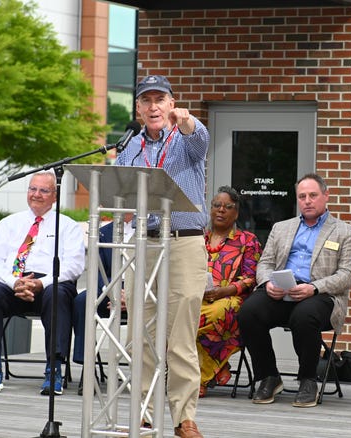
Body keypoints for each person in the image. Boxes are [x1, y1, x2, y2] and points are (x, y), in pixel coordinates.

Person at [115, 74, 209, 438]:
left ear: (171, 104)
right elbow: (120, 190)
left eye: (160, 99)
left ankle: (184, 418)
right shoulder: (131, 148)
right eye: (146, 101)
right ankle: (144, 415)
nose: (153, 106)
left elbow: (200, 140)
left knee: (181, 336)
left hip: (183, 241)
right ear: (138, 109)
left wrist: (188, 121)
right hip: (145, 243)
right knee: (143, 333)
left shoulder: (185, 139)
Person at [238, 173, 351, 408]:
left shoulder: (345, 232)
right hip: (281, 293)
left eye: (313, 195)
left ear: (326, 196)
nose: (307, 201)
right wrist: (267, 284)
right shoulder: (281, 228)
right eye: (302, 196)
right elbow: (264, 264)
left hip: (321, 297)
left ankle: (308, 379)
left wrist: (313, 288)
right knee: (249, 311)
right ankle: (268, 376)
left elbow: (346, 276)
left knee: (304, 315)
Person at [0, 171, 85, 395]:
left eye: (44, 190)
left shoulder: (68, 226)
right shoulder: (9, 223)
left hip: (51, 284)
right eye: (32, 189)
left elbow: (74, 266)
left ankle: (53, 370)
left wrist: (41, 283)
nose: (36, 194)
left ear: (55, 196)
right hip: (14, 282)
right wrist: (15, 282)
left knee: (57, 295)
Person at [198, 186, 262, 398]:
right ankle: (219, 366)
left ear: (236, 213)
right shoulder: (199, 239)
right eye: (217, 205)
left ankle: (201, 377)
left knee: (216, 313)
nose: (221, 210)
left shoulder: (247, 241)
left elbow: (252, 278)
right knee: (178, 315)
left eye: (228, 207)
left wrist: (223, 290)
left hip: (231, 298)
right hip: (197, 296)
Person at [72, 214, 133, 395]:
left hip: (142, 292)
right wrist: (111, 292)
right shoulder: (103, 233)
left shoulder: (154, 232)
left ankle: (147, 374)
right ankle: (88, 369)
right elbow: (97, 270)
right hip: (110, 287)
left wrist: (131, 296)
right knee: (83, 301)